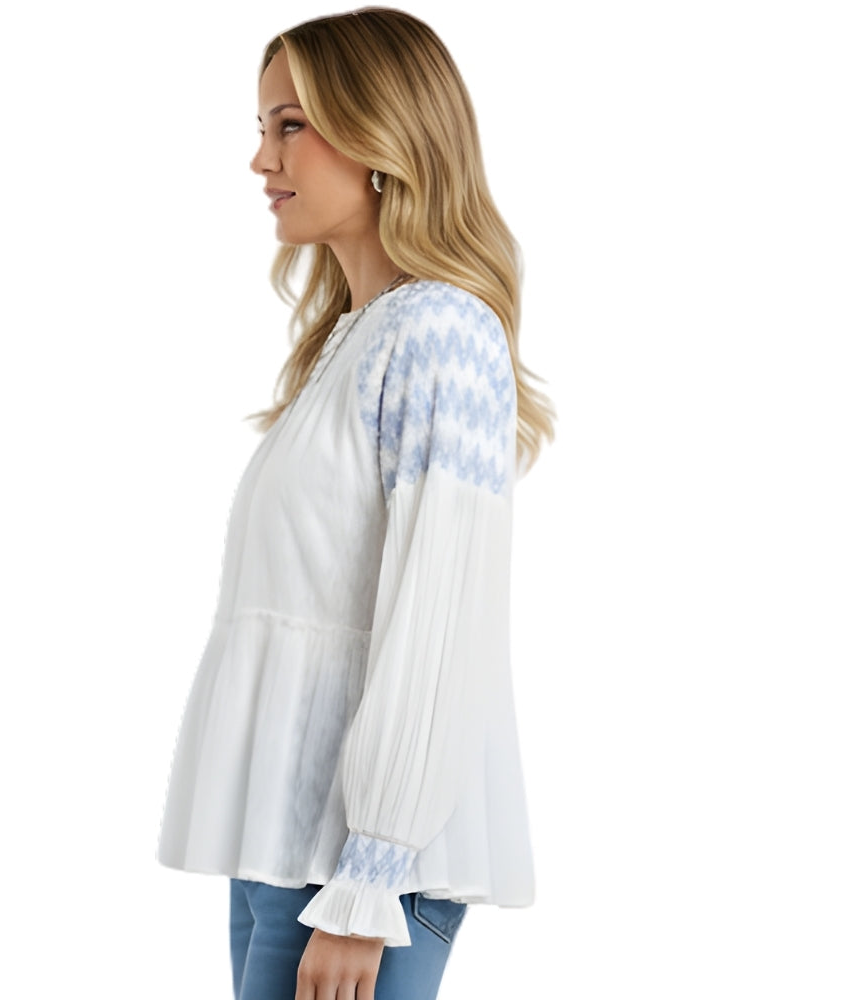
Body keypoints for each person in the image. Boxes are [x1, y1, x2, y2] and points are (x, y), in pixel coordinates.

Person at [156, 8, 555, 999]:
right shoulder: (356, 339)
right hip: (287, 848)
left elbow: (438, 621)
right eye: (263, 127)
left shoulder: (441, 332)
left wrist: (369, 876)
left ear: (383, 136)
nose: (262, 160)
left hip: (361, 876)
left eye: (291, 126)